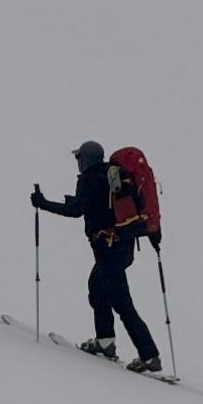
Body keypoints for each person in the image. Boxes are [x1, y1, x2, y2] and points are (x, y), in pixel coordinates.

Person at [31, 141, 162, 372]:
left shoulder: (88, 179)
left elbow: (76, 211)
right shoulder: (110, 176)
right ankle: (105, 341)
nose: (78, 163)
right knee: (97, 288)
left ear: (86, 159)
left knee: (122, 304)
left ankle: (149, 356)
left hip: (108, 250)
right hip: (123, 247)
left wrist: (43, 204)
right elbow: (100, 207)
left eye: (79, 158)